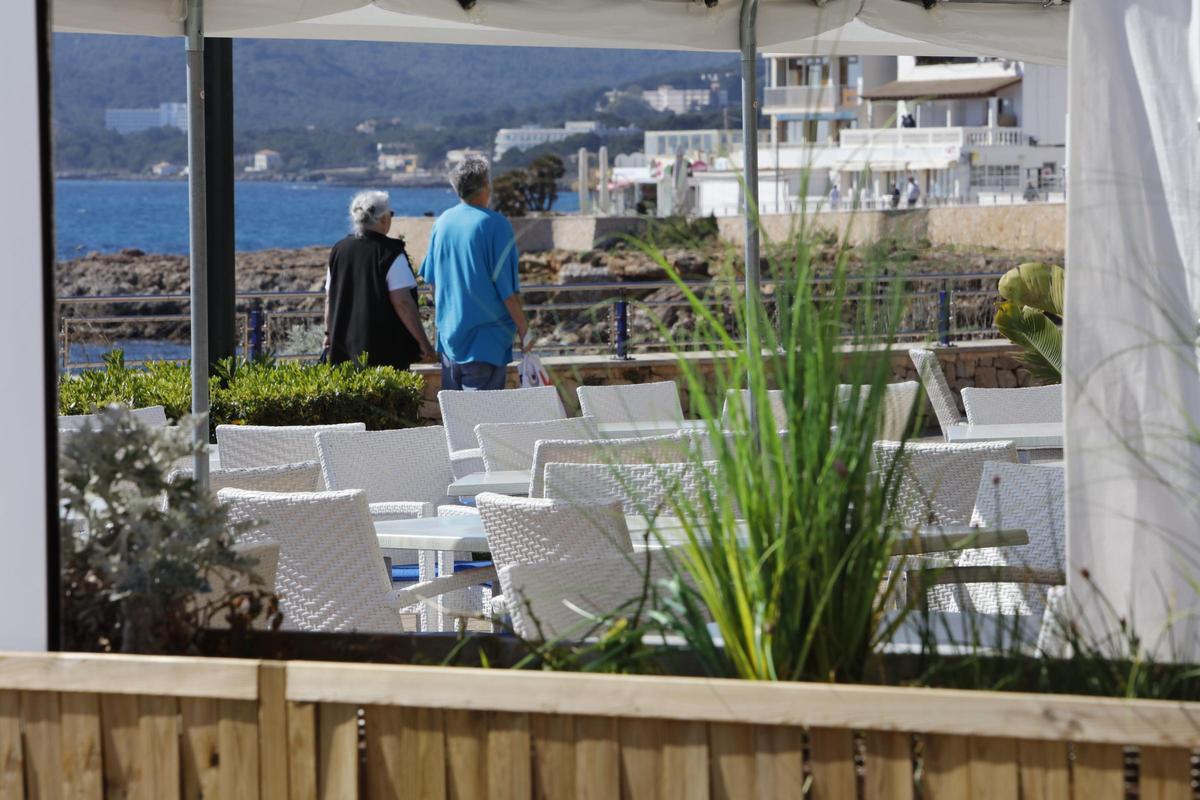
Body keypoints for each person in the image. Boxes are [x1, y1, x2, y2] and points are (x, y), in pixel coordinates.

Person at [420, 156, 531, 392]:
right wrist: (525, 331)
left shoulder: (442, 223)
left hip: (449, 339)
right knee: (481, 413)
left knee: (454, 411)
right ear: (485, 186)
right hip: (485, 342)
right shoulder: (496, 225)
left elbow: (432, 281)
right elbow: (508, 291)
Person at [323, 190, 436, 370]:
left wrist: (328, 334)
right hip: (384, 355)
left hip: (344, 352)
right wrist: (424, 344)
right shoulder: (390, 253)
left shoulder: (338, 250)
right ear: (384, 219)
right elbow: (403, 303)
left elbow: (330, 299)